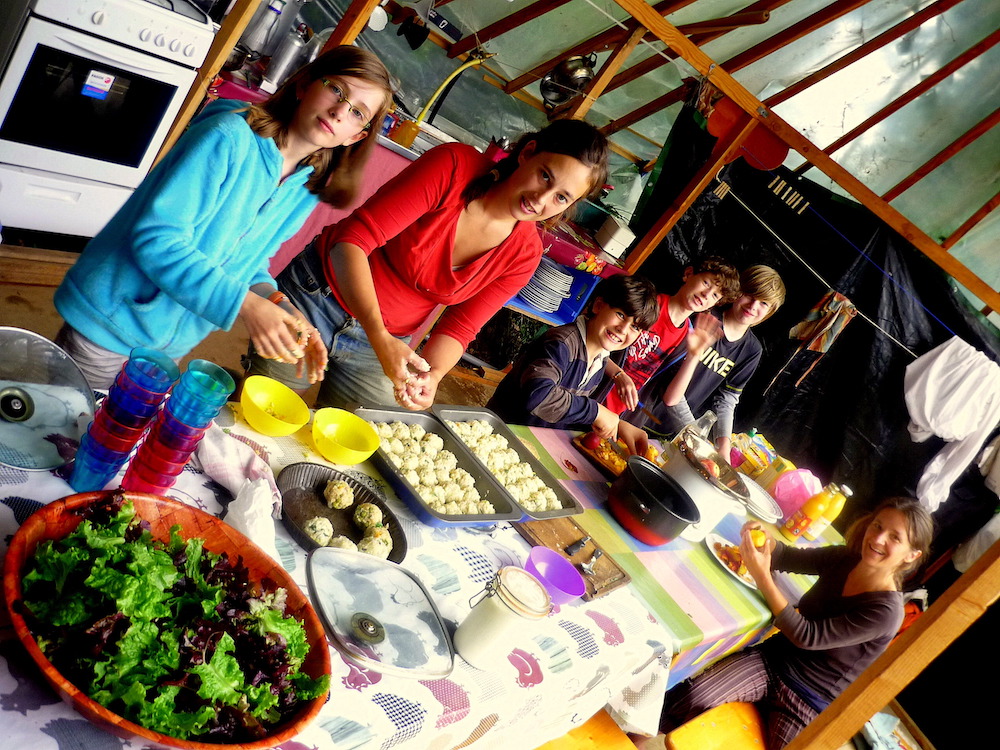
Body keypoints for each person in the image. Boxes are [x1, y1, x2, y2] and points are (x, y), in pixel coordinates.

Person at [53, 46, 394, 390]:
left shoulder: (305, 185)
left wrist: (280, 305)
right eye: (337, 89)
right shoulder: (227, 136)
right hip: (109, 323)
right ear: (304, 84)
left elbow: (248, 263)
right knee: (68, 426)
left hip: (168, 345)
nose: (339, 112)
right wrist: (244, 305)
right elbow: (157, 241)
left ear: (356, 136)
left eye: (356, 113)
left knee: (121, 433)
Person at [245, 118, 610, 410]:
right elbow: (351, 242)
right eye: (545, 174)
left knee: (357, 449)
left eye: (561, 197)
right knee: (262, 414)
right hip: (316, 299)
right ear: (528, 153)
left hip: (385, 342)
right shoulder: (453, 166)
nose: (541, 198)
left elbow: (460, 327)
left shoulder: (524, 253)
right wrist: (380, 336)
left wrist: (431, 377)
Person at [657, 496, 933, 750]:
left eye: (894, 537)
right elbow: (787, 557)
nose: (878, 538)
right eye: (878, 526)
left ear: (912, 555)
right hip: (773, 662)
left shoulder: (885, 612)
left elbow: (807, 636)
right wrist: (764, 541)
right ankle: (635, 738)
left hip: (810, 701)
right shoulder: (845, 558)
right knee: (692, 698)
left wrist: (761, 575)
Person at [487, 273, 659, 451]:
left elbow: (568, 410)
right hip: (499, 436)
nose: (623, 329)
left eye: (635, 327)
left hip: (534, 444)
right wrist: (596, 412)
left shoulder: (600, 358)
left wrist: (617, 425)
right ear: (598, 306)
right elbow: (539, 397)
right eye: (620, 315)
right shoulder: (561, 343)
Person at [635, 265, 786, 457]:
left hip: (670, 431)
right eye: (749, 295)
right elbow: (668, 380)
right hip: (639, 409)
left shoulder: (752, 350)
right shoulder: (703, 316)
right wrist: (693, 433)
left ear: (770, 311)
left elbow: (727, 398)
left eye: (763, 303)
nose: (753, 306)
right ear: (736, 291)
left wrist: (723, 445)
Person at [603, 257, 740, 416]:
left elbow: (671, 399)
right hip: (590, 395)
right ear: (688, 274)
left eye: (716, 295)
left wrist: (694, 355)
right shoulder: (646, 304)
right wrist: (618, 374)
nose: (706, 294)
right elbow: (593, 342)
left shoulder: (687, 337)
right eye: (706, 283)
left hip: (617, 418)